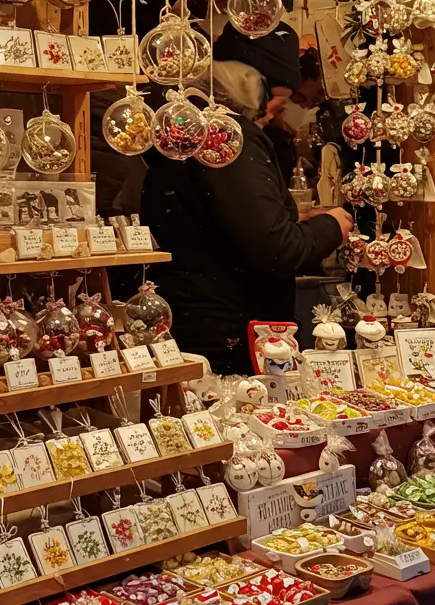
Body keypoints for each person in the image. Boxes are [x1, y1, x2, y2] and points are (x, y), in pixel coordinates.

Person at [141, 21, 353, 373]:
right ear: (250, 82)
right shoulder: (227, 139)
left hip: (198, 320)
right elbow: (275, 249)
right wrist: (331, 226)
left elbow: (230, 222)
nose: (274, 113)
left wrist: (294, 221)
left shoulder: (187, 129)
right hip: (228, 333)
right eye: (278, 99)